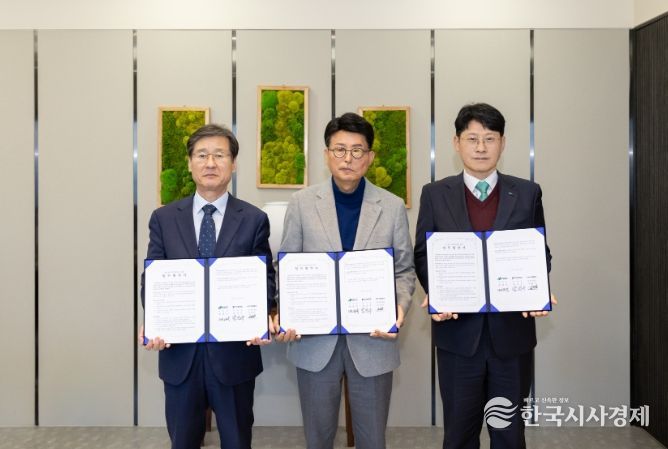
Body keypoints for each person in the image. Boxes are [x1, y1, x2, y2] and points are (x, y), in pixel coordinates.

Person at [414, 103, 554, 449]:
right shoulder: (435, 194)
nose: (481, 147)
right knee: (459, 434)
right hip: (458, 336)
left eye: (489, 138)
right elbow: (423, 253)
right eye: (472, 138)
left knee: (509, 434)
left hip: (512, 335)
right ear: (456, 143)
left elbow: (539, 252)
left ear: (502, 143)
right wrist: (437, 292)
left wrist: (539, 289)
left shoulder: (527, 192)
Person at [276, 112, 416, 449]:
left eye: (357, 150)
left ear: (370, 157)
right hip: (314, 342)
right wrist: (285, 312)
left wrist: (399, 308)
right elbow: (286, 267)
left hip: (373, 340)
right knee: (318, 439)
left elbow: (403, 270)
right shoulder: (301, 203)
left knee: (372, 440)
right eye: (339, 149)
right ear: (327, 154)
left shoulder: (392, 206)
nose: (348, 158)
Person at [139, 124, 276, 449]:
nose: (210, 163)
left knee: (237, 441)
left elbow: (265, 278)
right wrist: (155, 320)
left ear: (233, 163)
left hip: (234, 356)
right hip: (179, 354)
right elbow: (152, 277)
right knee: (182, 441)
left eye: (219, 155)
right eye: (202, 155)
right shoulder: (164, 218)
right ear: (190, 163)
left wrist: (262, 316)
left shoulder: (254, 219)